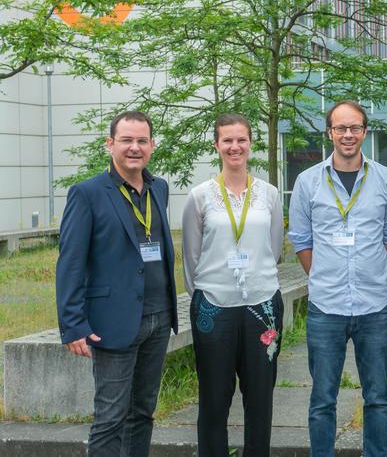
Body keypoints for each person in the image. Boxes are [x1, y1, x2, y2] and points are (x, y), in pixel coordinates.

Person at [56, 110, 178, 456]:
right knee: (110, 417)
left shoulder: (159, 189)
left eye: (142, 140)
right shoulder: (87, 193)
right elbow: (70, 262)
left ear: (152, 145)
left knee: (142, 413)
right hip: (113, 321)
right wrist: (72, 323)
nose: (134, 148)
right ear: (110, 144)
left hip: (158, 318)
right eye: (126, 140)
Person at [288, 100, 387, 457]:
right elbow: (302, 241)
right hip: (326, 307)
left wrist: (364, 268)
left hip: (375, 306)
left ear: (365, 132)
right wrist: (326, 275)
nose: (348, 135)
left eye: (354, 128)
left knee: (378, 397)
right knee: (323, 397)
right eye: (340, 128)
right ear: (329, 133)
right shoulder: (307, 182)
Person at [182, 113, 284, 456]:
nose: (235, 146)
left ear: (251, 144)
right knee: (213, 398)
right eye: (227, 140)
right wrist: (210, 290)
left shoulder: (268, 195)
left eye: (241, 139)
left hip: (262, 305)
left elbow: (273, 247)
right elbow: (191, 258)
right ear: (216, 145)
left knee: (260, 398)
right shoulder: (199, 197)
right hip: (214, 306)